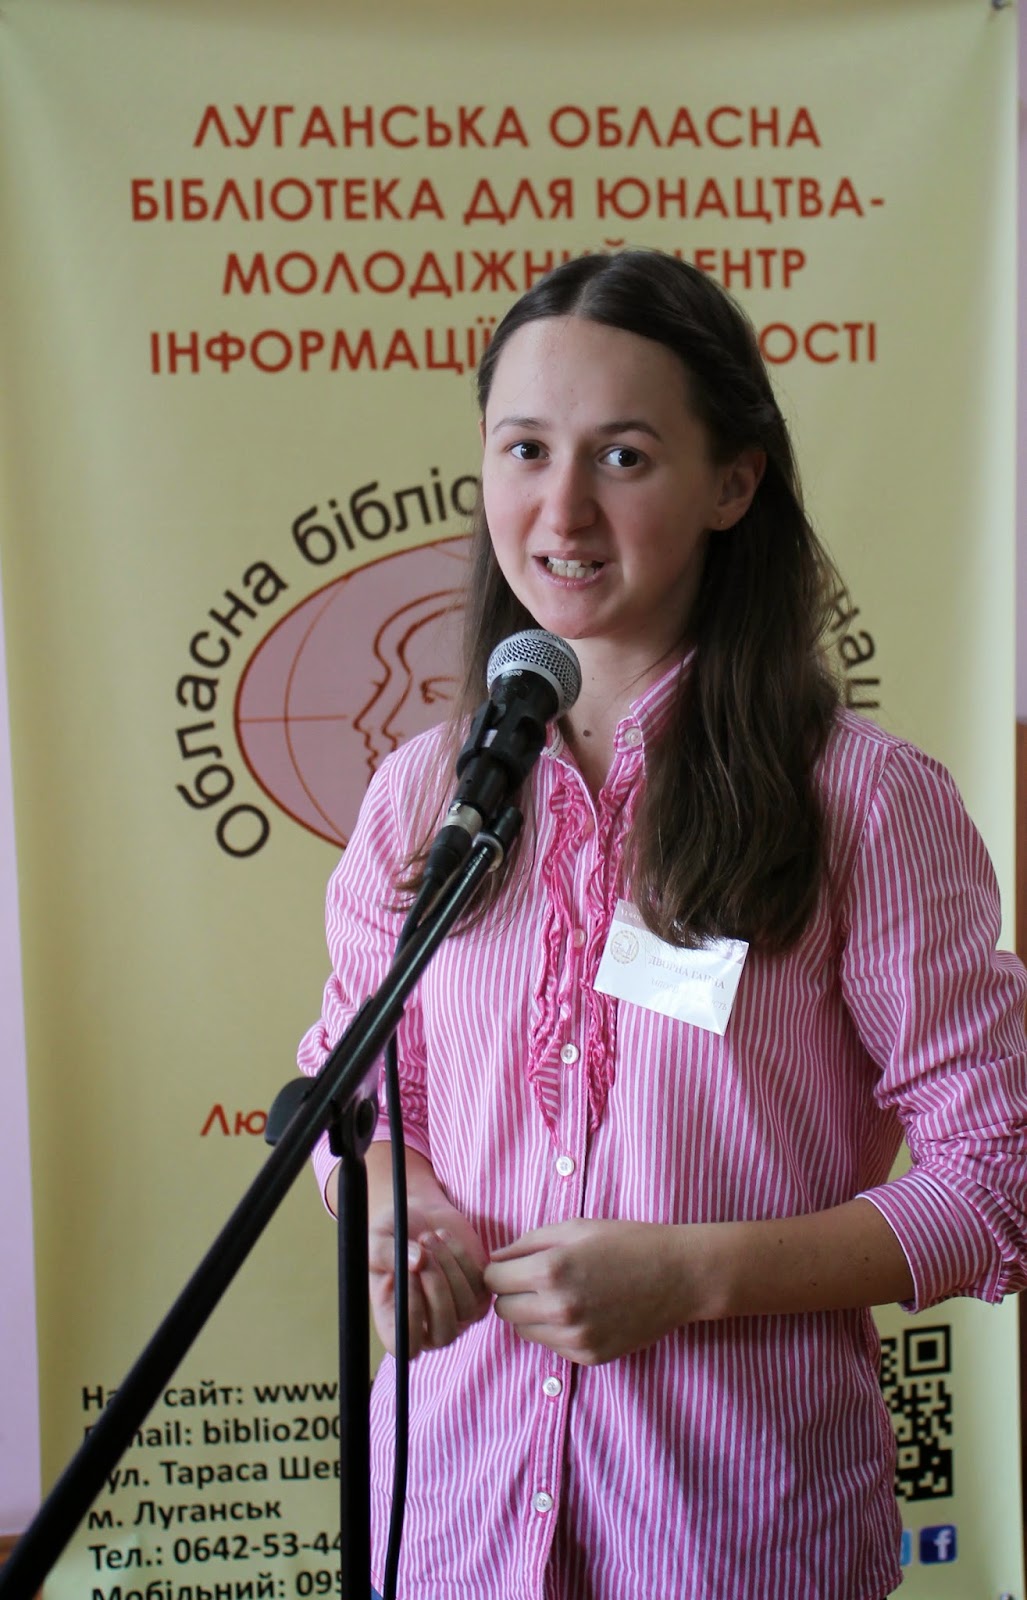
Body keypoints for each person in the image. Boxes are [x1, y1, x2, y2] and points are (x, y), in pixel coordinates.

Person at [297, 249, 1027, 1600]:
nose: (560, 509)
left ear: (732, 484)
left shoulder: (865, 804)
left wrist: (693, 1276)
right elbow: (361, 1100)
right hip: (452, 1522)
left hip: (733, 1532)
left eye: (623, 457)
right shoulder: (419, 795)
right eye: (525, 449)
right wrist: (406, 1214)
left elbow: (997, 1180)